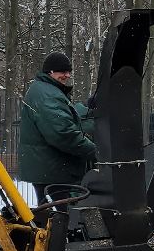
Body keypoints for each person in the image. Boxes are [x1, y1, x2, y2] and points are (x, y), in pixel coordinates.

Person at [17, 52, 98, 205]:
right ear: (50, 72)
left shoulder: (44, 90)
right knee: (64, 214)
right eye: (63, 71)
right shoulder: (48, 95)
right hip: (54, 171)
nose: (67, 75)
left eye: (69, 71)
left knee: (49, 212)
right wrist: (96, 152)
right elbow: (63, 134)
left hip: (46, 169)